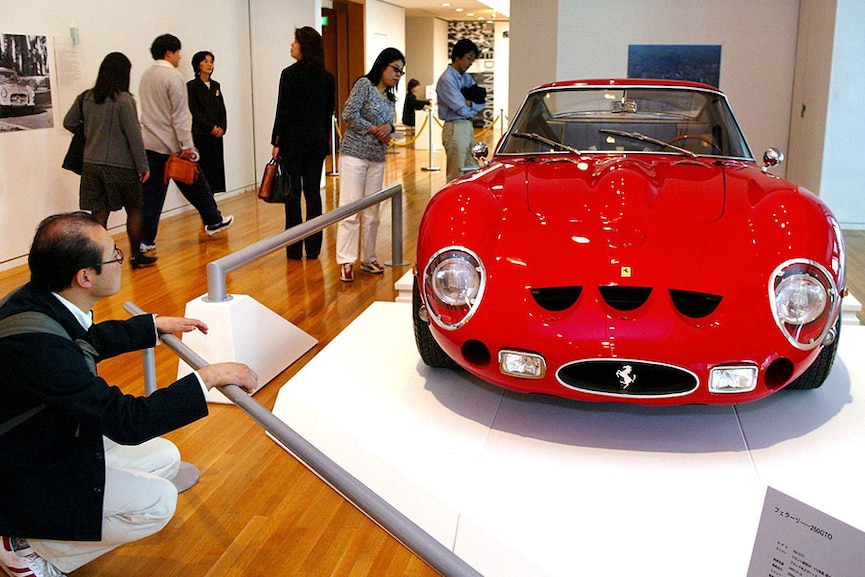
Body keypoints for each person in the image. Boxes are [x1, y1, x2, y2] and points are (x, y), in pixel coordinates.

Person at [0, 212, 258, 577]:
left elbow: (83, 341)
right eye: (114, 256)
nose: (121, 261)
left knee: (165, 457)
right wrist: (207, 378)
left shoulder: (39, 299)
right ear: (85, 276)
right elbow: (126, 421)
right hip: (24, 468)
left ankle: (39, 534)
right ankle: (29, 549)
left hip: (43, 439)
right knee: (158, 502)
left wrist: (150, 326)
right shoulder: (43, 350)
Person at [139, 34, 233, 254]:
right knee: (198, 184)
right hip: (172, 147)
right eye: (178, 52)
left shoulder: (146, 76)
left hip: (150, 145)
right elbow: (181, 116)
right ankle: (213, 221)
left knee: (152, 196)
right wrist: (187, 146)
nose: (180, 57)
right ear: (169, 53)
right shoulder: (174, 77)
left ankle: (146, 239)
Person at [62, 52, 155, 270]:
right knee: (134, 209)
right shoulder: (124, 100)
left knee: (99, 214)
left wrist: (88, 132)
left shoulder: (86, 97)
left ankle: (97, 262)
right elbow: (134, 136)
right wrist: (143, 166)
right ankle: (136, 257)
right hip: (121, 167)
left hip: (91, 165)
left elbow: (69, 122)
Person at [335, 47, 404, 282]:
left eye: (401, 72)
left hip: (377, 156)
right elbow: (348, 113)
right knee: (350, 209)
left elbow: (391, 123)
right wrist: (373, 128)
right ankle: (346, 260)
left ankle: (368, 256)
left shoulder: (391, 97)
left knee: (372, 212)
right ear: (383, 66)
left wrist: (389, 129)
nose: (397, 75)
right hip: (354, 154)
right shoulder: (364, 85)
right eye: (395, 69)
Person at [270, 26, 335, 260]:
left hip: (292, 144)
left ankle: (294, 248)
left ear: (304, 46)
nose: (291, 45)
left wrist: (276, 141)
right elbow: (329, 113)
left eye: (294, 41)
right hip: (316, 144)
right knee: (313, 195)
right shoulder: (327, 78)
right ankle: (314, 248)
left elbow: (283, 112)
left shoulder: (289, 74)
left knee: (292, 195)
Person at [435, 38, 486, 182]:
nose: (470, 63)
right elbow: (461, 109)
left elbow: (481, 101)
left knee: (471, 169)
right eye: (469, 58)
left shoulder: (465, 78)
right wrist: (471, 105)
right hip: (455, 127)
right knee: (456, 173)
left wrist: (470, 104)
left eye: (472, 59)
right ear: (458, 56)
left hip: (466, 126)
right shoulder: (447, 80)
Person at [187, 50, 227, 194]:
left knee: (216, 171)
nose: (209, 64)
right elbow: (195, 112)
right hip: (202, 134)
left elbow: (221, 109)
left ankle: (213, 206)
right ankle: (208, 206)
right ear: (197, 65)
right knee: (203, 170)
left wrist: (222, 127)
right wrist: (211, 128)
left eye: (211, 61)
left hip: (216, 136)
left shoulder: (216, 85)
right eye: (205, 61)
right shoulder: (192, 86)